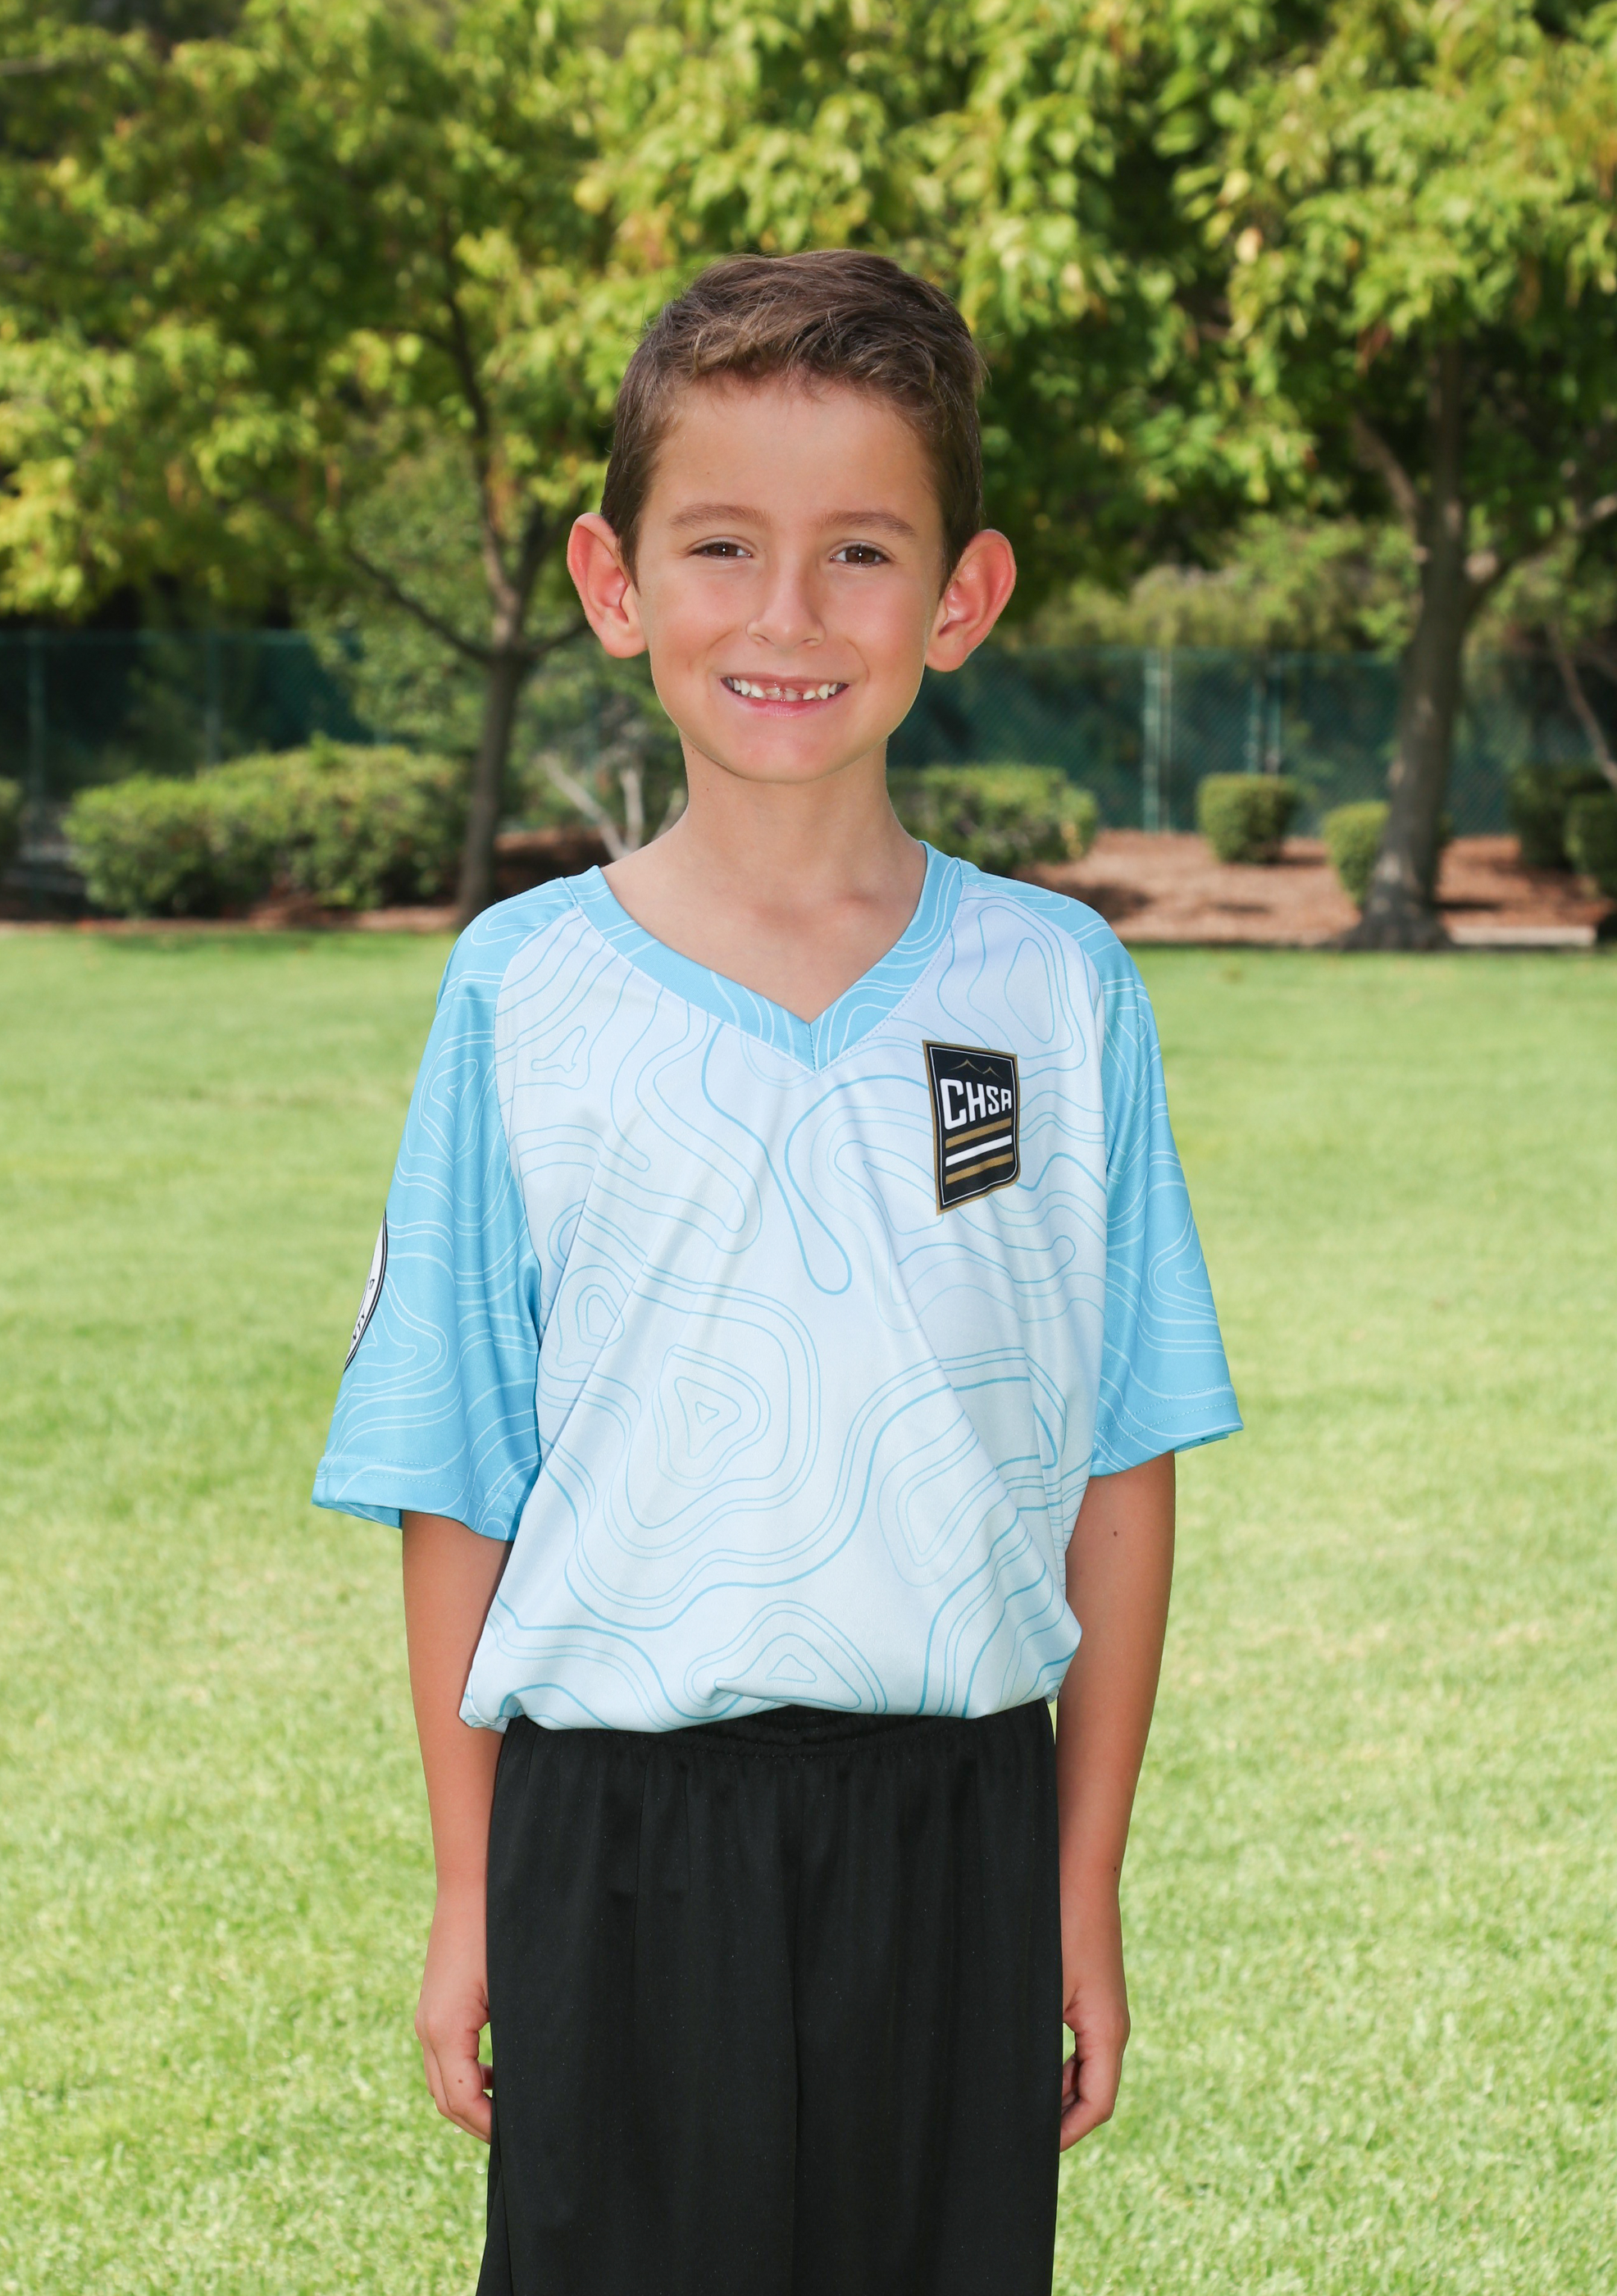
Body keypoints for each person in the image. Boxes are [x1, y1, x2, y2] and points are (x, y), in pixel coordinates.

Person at [312, 248, 1241, 2296]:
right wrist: (470, 1882)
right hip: (612, 1838)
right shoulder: (521, 991)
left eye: (860, 553)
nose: (789, 615)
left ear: (960, 597)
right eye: (722, 544)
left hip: (957, 1823)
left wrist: (1079, 1874)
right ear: (614, 579)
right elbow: (458, 1468)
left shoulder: (1052, 988)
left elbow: (1121, 1455)